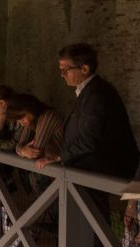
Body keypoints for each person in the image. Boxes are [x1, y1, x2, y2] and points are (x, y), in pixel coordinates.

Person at [38, 43, 139, 179]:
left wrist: (59, 157)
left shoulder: (96, 94)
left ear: (84, 69)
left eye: (66, 70)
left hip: (102, 171)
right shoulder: (91, 90)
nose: (62, 75)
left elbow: (88, 140)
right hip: (94, 168)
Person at [5, 93, 64, 165]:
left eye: (22, 118)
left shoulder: (48, 116)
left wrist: (22, 151)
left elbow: (35, 152)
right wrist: (22, 150)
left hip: (63, 165)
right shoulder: (32, 120)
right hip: (49, 166)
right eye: (19, 120)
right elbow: (19, 145)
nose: (22, 124)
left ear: (31, 109)